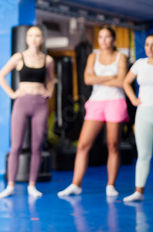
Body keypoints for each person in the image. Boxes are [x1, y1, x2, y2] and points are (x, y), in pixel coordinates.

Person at [58, 27, 128, 197]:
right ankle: (76, 184)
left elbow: (121, 82)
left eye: (107, 37)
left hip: (115, 101)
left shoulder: (121, 57)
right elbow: (88, 80)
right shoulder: (92, 56)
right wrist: (111, 77)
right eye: (101, 37)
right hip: (96, 102)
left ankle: (110, 185)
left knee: (113, 145)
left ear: (113, 39)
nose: (103, 40)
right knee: (82, 145)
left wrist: (102, 78)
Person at [0, 25, 54, 198]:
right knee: (16, 146)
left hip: (40, 104)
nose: (34, 38)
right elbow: (0, 76)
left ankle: (32, 185)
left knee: (37, 146)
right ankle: (10, 185)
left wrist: (49, 91)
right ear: (27, 39)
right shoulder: (19, 57)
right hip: (22, 103)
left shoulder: (48, 60)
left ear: (42, 39)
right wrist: (12, 94)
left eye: (38, 35)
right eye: (31, 35)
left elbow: (51, 80)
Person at [122, 34, 153, 202]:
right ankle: (138, 192)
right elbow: (126, 82)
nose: (150, 48)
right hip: (143, 113)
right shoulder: (140, 64)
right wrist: (134, 99)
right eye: (147, 44)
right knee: (144, 154)